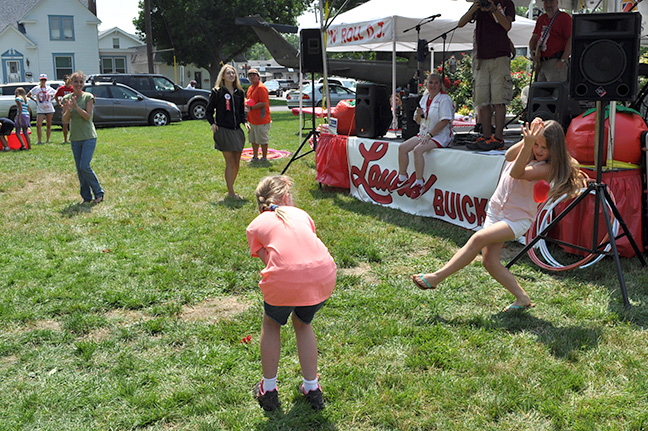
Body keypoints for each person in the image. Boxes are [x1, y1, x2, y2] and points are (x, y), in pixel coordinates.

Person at [411, 118, 586, 311]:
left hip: (516, 219)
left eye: (543, 147)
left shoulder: (546, 168)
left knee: (478, 238)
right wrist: (526, 141)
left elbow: (517, 173)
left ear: (555, 149)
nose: (538, 150)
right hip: (496, 211)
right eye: (536, 144)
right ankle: (522, 298)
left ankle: (436, 277)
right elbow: (510, 155)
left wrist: (528, 146)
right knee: (490, 261)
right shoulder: (528, 151)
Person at [246, 175, 336, 411]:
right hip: (324, 275)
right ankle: (312, 388)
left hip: (286, 279)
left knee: (272, 323)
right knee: (303, 324)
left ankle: (269, 389)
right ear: (287, 197)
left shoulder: (255, 225)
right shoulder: (302, 214)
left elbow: (271, 262)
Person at [459, 0, 515, 151]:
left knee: (499, 99)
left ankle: (498, 138)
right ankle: (485, 136)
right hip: (481, 57)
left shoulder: (506, 3)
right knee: (482, 100)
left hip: (500, 56)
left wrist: (493, 9)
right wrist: (475, 8)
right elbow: (461, 23)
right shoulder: (479, 3)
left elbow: (507, 26)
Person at [396, 73, 454, 197]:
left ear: (440, 85)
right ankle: (402, 178)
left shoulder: (444, 99)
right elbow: (418, 121)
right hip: (424, 132)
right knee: (402, 148)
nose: (433, 85)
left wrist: (430, 135)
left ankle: (419, 182)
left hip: (440, 135)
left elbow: (445, 120)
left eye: (436, 83)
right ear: (426, 84)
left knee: (418, 150)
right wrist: (418, 115)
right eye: (430, 82)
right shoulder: (424, 98)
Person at [205, 64, 248, 200]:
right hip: (224, 130)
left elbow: (241, 112)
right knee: (229, 162)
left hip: (237, 131)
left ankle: (231, 187)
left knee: (237, 162)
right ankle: (231, 192)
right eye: (229, 73)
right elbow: (208, 111)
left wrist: (245, 122)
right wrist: (212, 123)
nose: (231, 75)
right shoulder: (217, 92)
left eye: (233, 73)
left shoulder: (239, 93)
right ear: (223, 76)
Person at [61, 71, 104, 204]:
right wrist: (68, 109)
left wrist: (76, 107)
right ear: (71, 83)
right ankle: (86, 197)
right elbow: (65, 121)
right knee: (80, 170)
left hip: (88, 137)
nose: (78, 84)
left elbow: (87, 116)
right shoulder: (66, 98)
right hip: (75, 138)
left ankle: (99, 192)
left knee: (84, 166)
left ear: (83, 83)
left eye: (81, 82)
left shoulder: (88, 97)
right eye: (76, 82)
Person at [529, 0, 572, 83]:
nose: (548, 5)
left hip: (555, 61)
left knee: (556, 92)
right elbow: (534, 38)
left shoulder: (564, 18)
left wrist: (563, 60)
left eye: (551, 2)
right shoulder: (541, 18)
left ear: (557, 2)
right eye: (546, 2)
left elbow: (570, 39)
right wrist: (532, 51)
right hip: (541, 62)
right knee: (540, 93)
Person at [245, 68, 272, 162]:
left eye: (254, 75)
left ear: (258, 76)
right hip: (252, 119)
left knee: (262, 139)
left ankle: (264, 158)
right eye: (250, 75)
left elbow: (264, 103)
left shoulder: (261, 87)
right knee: (253, 139)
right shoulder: (250, 87)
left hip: (261, 119)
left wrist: (251, 108)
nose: (252, 77)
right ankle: (255, 157)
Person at [27, 74, 56, 144]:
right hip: (40, 109)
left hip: (49, 108)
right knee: (38, 124)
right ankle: (39, 140)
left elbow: (56, 94)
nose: (43, 81)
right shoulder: (36, 88)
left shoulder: (49, 88)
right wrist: (35, 100)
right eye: (42, 80)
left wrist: (51, 99)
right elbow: (28, 95)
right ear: (40, 80)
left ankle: (47, 140)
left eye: (44, 80)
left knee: (48, 124)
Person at [55, 75, 74, 143]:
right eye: (66, 80)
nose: (67, 82)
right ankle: (65, 139)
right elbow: (56, 96)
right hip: (65, 108)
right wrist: (60, 104)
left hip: (72, 107)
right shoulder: (61, 88)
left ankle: (73, 138)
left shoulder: (73, 88)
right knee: (65, 124)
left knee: (73, 124)